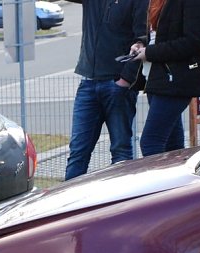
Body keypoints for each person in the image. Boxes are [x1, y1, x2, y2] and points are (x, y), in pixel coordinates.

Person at [64, 0, 149, 181]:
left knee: (121, 152)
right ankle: (69, 206)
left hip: (117, 85)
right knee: (78, 152)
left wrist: (125, 81)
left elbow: (142, 38)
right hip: (88, 82)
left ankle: (121, 205)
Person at [130, 0, 200, 156]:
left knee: (151, 142)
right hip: (156, 76)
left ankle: (160, 181)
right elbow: (161, 34)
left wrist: (150, 52)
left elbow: (194, 42)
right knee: (173, 145)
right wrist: (142, 43)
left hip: (176, 78)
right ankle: (179, 179)